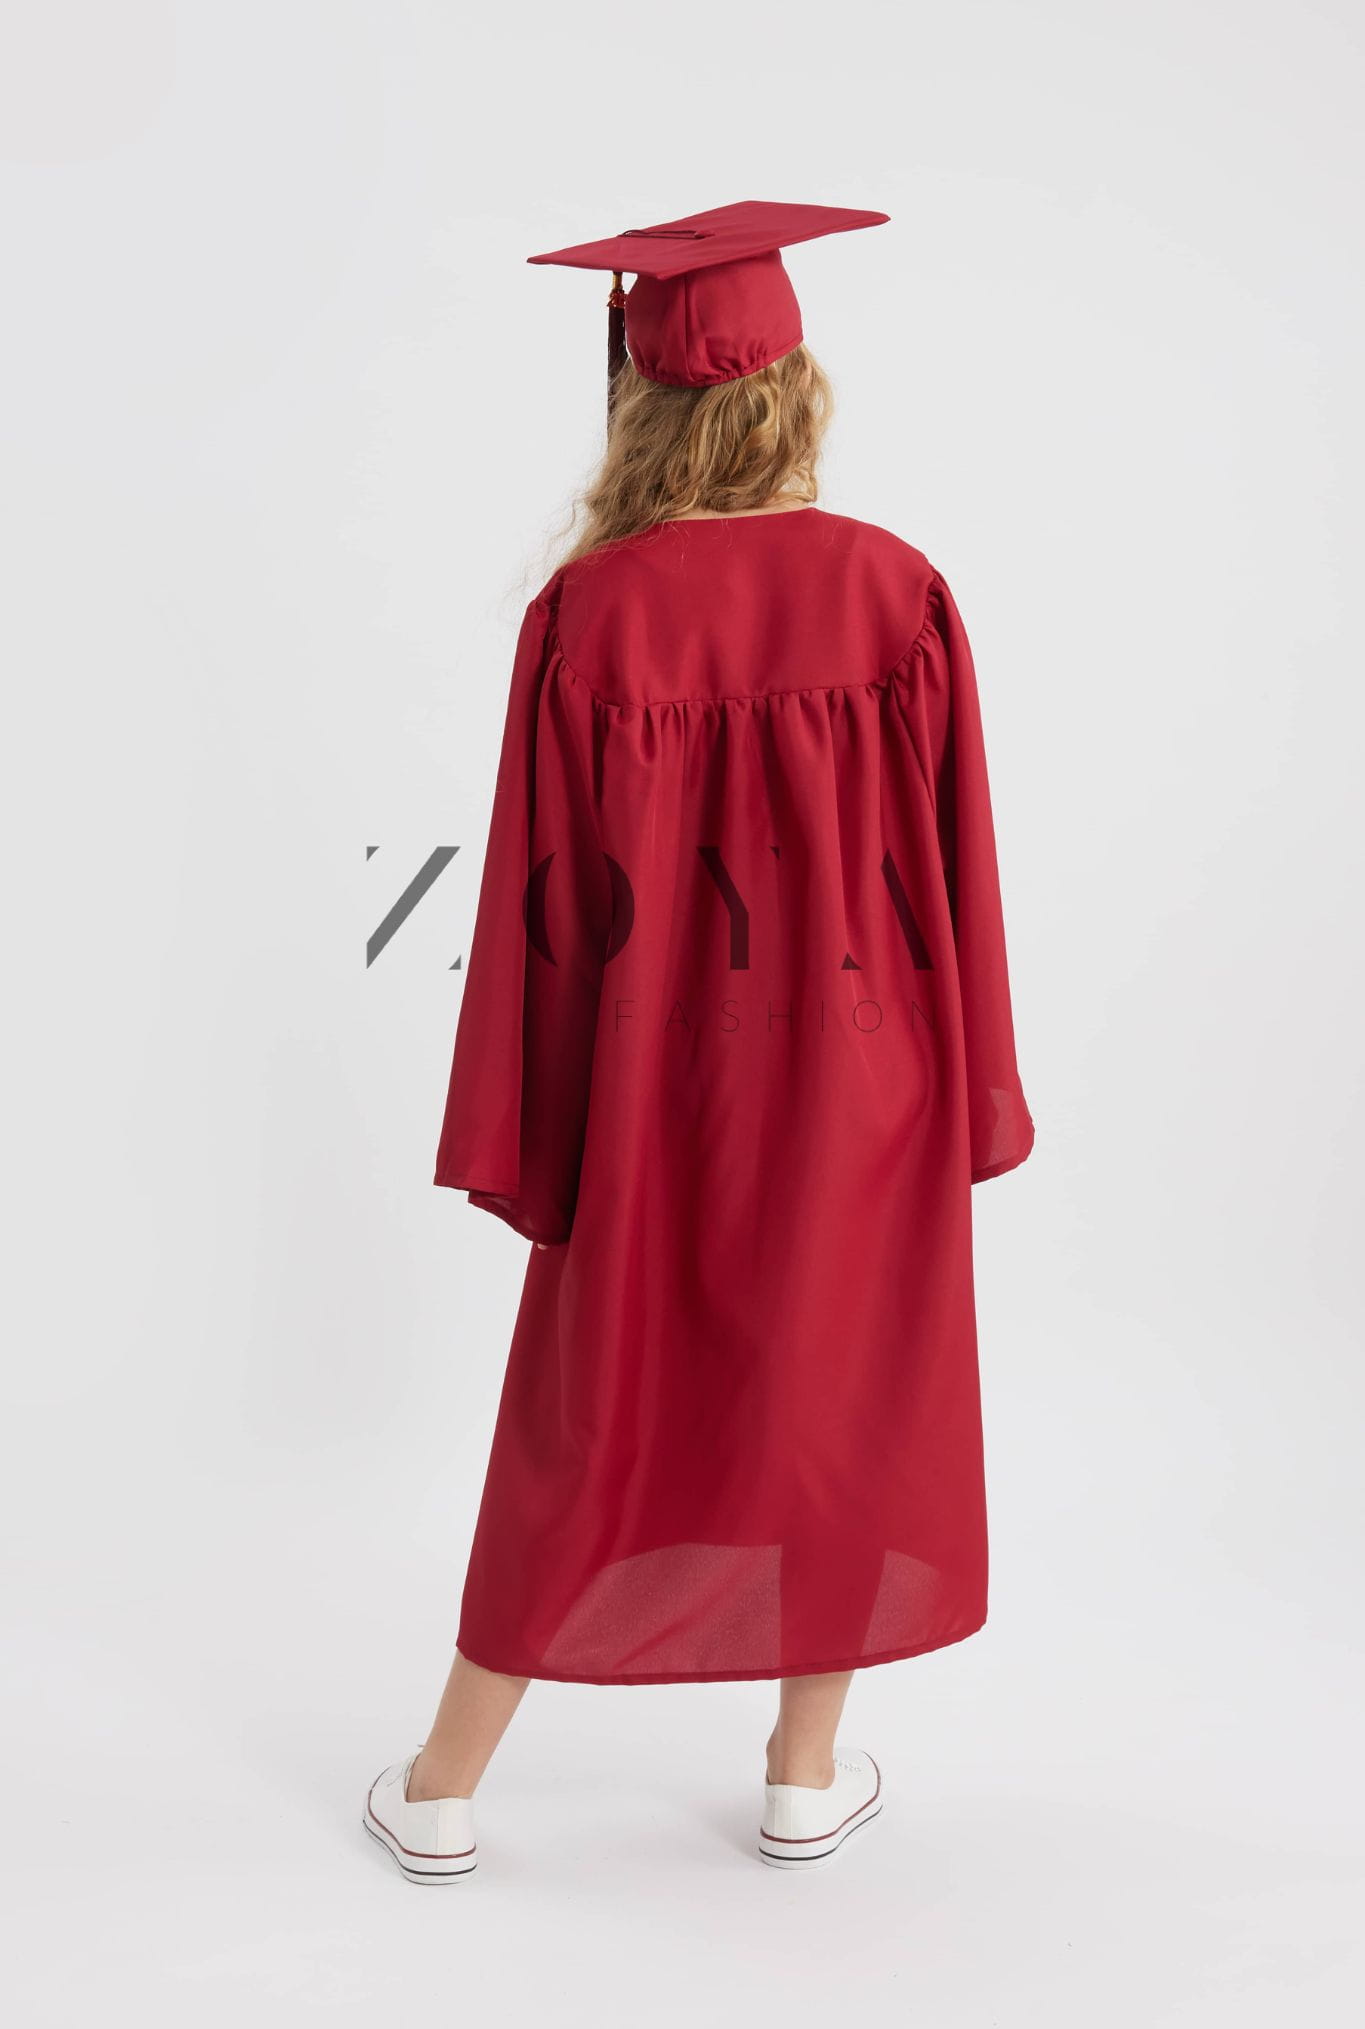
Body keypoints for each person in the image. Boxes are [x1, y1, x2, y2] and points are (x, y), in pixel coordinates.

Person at [363, 201, 1034, 1884]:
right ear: (795, 394)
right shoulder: (896, 591)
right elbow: (956, 869)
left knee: (586, 1414)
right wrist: (967, 1079)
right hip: (868, 1076)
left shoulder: (590, 616)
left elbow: (541, 903)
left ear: (641, 407)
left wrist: (536, 1130)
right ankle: (802, 1775)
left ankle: (442, 1786)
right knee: (841, 1397)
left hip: (656, 1086)